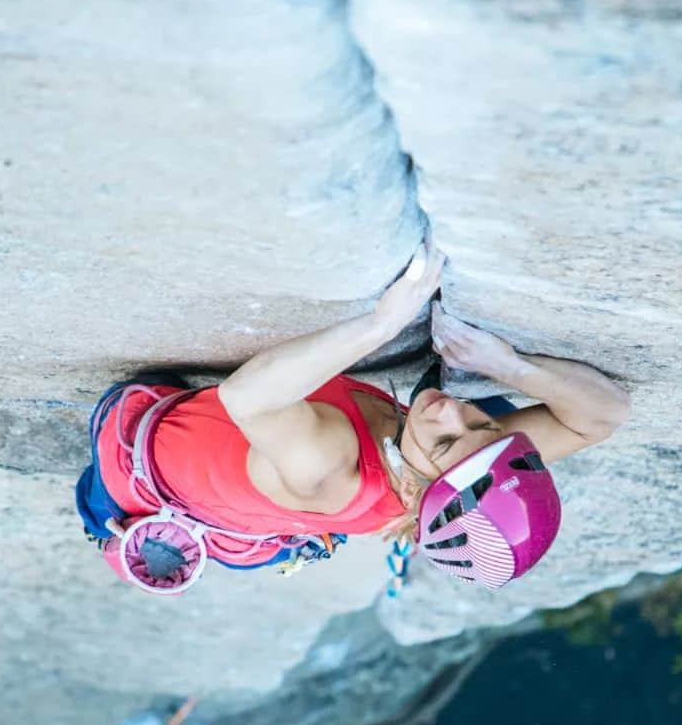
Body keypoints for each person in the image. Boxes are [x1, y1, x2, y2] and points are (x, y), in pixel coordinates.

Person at [84, 238, 631, 591]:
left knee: (99, 486)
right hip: (249, 498)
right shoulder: (465, 467)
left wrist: (380, 325)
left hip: (137, 449)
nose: (450, 414)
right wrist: (507, 365)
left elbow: (248, 398)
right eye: (480, 427)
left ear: (419, 494)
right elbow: (601, 416)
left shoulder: (329, 465)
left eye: (443, 443)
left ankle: (102, 522)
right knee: (481, 411)